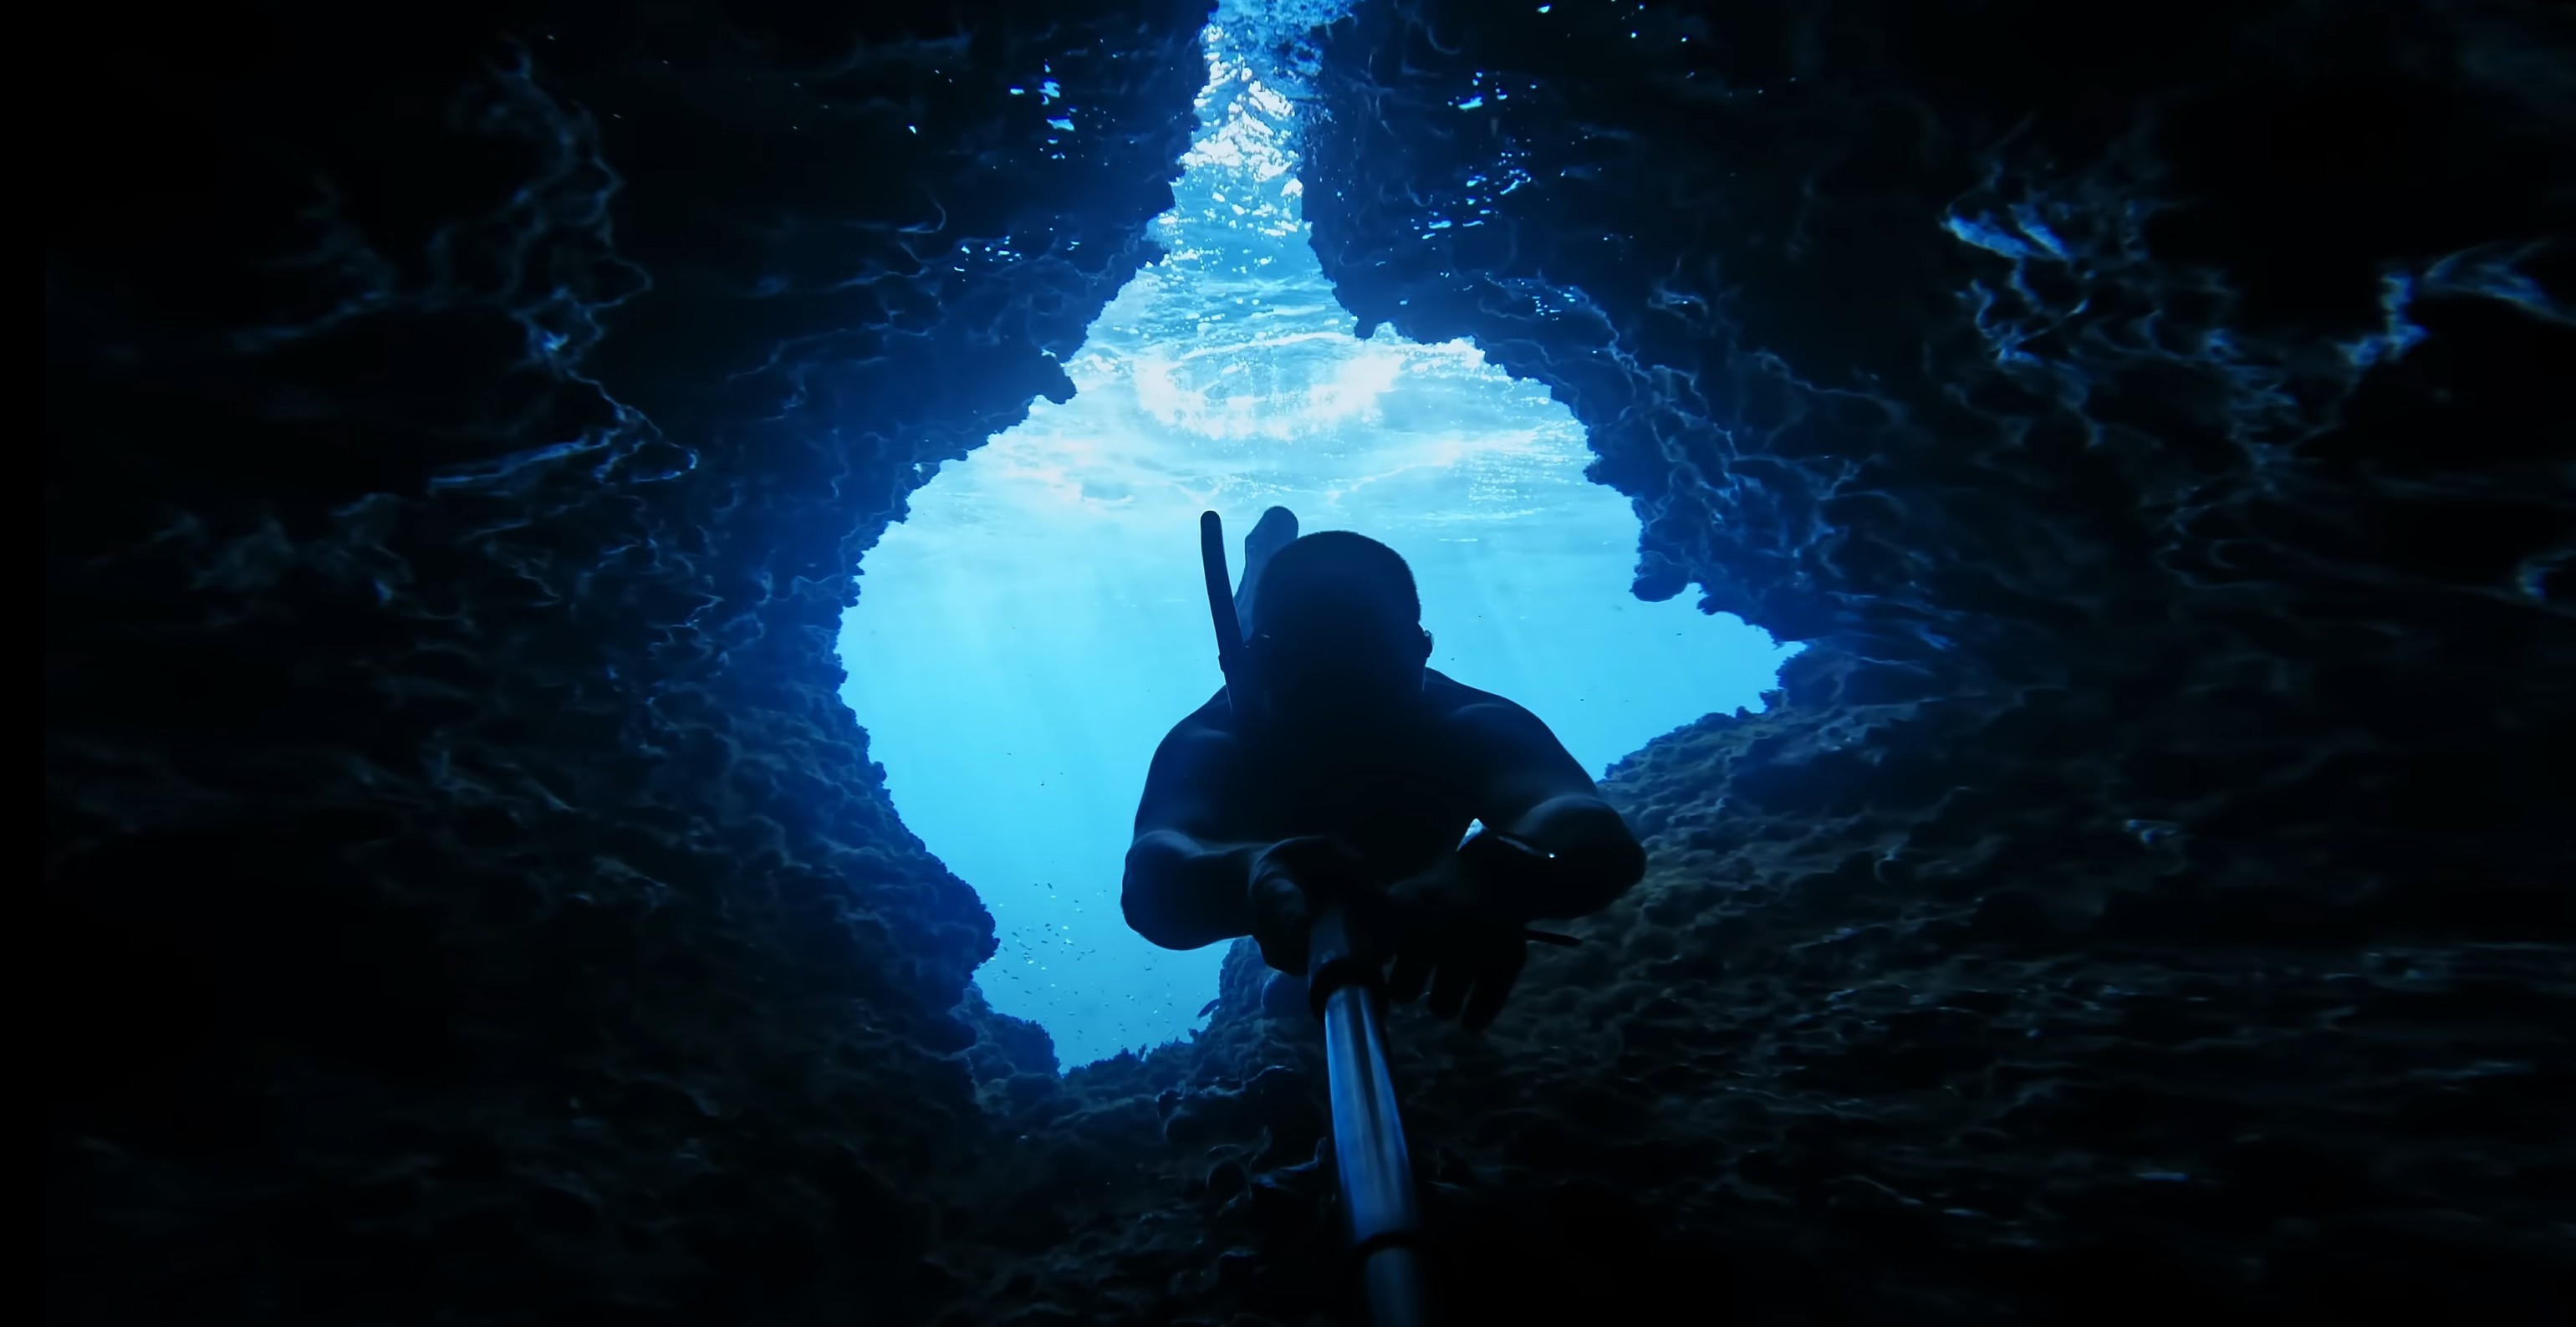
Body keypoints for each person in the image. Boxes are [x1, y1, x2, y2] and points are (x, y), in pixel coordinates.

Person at [1120, 512, 1648, 1033]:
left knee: (1290, 998)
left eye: (1363, 663)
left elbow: (1582, 823)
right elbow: (1151, 877)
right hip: (1253, 659)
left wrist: (1505, 873)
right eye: (1314, 667)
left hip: (1261, 654)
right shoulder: (1218, 737)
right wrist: (1245, 875)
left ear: (1422, 651)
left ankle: (1264, 580)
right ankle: (1258, 574)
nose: (1344, 704)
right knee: (1286, 1002)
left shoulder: (1466, 722)